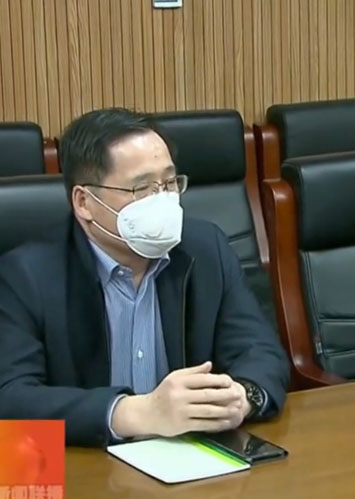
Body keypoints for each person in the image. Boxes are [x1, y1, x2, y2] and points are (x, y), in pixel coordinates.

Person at [0, 108, 289, 446]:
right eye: (141, 188)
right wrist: (132, 413)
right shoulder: (27, 275)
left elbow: (261, 352)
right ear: (84, 202)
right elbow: (11, 396)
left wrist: (242, 397)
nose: (162, 200)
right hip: (80, 460)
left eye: (169, 183)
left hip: (190, 457)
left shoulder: (205, 248)